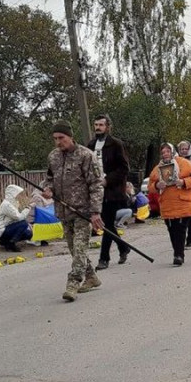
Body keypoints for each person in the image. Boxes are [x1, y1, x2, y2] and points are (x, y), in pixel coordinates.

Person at [44, 120, 104, 302]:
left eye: (61, 138)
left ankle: (73, 283)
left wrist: (95, 212)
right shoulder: (53, 157)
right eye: (55, 138)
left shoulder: (86, 155)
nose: (58, 142)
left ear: (70, 136)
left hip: (83, 212)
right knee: (73, 248)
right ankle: (91, 276)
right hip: (63, 210)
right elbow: (49, 179)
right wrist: (48, 189)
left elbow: (96, 184)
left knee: (79, 248)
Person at [86, 114, 131, 270]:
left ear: (108, 127)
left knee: (105, 223)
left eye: (101, 125)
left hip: (112, 191)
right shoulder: (90, 145)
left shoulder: (116, 144)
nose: (98, 127)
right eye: (96, 125)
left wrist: (108, 180)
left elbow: (124, 168)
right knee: (108, 224)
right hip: (96, 191)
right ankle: (123, 248)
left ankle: (104, 258)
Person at [149, 143, 191, 265]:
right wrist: (157, 185)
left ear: (172, 152)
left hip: (183, 203)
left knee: (180, 230)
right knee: (172, 230)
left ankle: (178, 255)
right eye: (163, 152)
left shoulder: (184, 164)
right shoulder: (157, 169)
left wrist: (183, 182)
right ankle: (177, 252)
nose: (165, 154)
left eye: (167, 151)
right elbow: (151, 186)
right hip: (167, 205)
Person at [0, 184, 33, 252]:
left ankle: (5, 241)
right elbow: (19, 217)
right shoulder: (7, 205)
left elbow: (14, 219)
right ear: (13, 194)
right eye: (18, 194)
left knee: (28, 234)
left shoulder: (12, 204)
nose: (20, 196)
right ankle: (11, 243)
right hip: (1, 230)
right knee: (24, 223)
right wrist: (28, 208)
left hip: (7, 227)